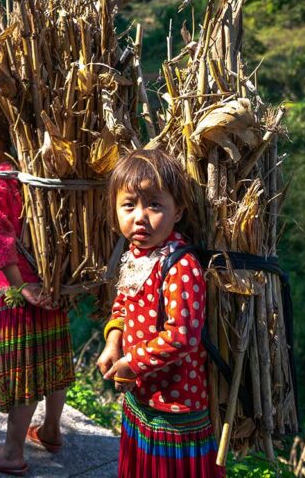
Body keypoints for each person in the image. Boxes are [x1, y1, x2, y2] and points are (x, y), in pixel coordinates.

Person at [0, 97, 75, 476]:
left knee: (22, 371)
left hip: (20, 295)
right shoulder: (24, 174)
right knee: (52, 361)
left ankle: (11, 452)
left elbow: (0, 240)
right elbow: (23, 228)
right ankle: (51, 430)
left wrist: (19, 287)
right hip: (49, 285)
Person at [96, 149, 224, 478]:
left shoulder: (181, 266)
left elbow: (182, 336)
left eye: (154, 205)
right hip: (142, 398)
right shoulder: (137, 255)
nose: (140, 216)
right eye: (129, 205)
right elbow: (122, 304)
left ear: (178, 211)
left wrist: (131, 363)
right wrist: (113, 343)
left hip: (176, 405)